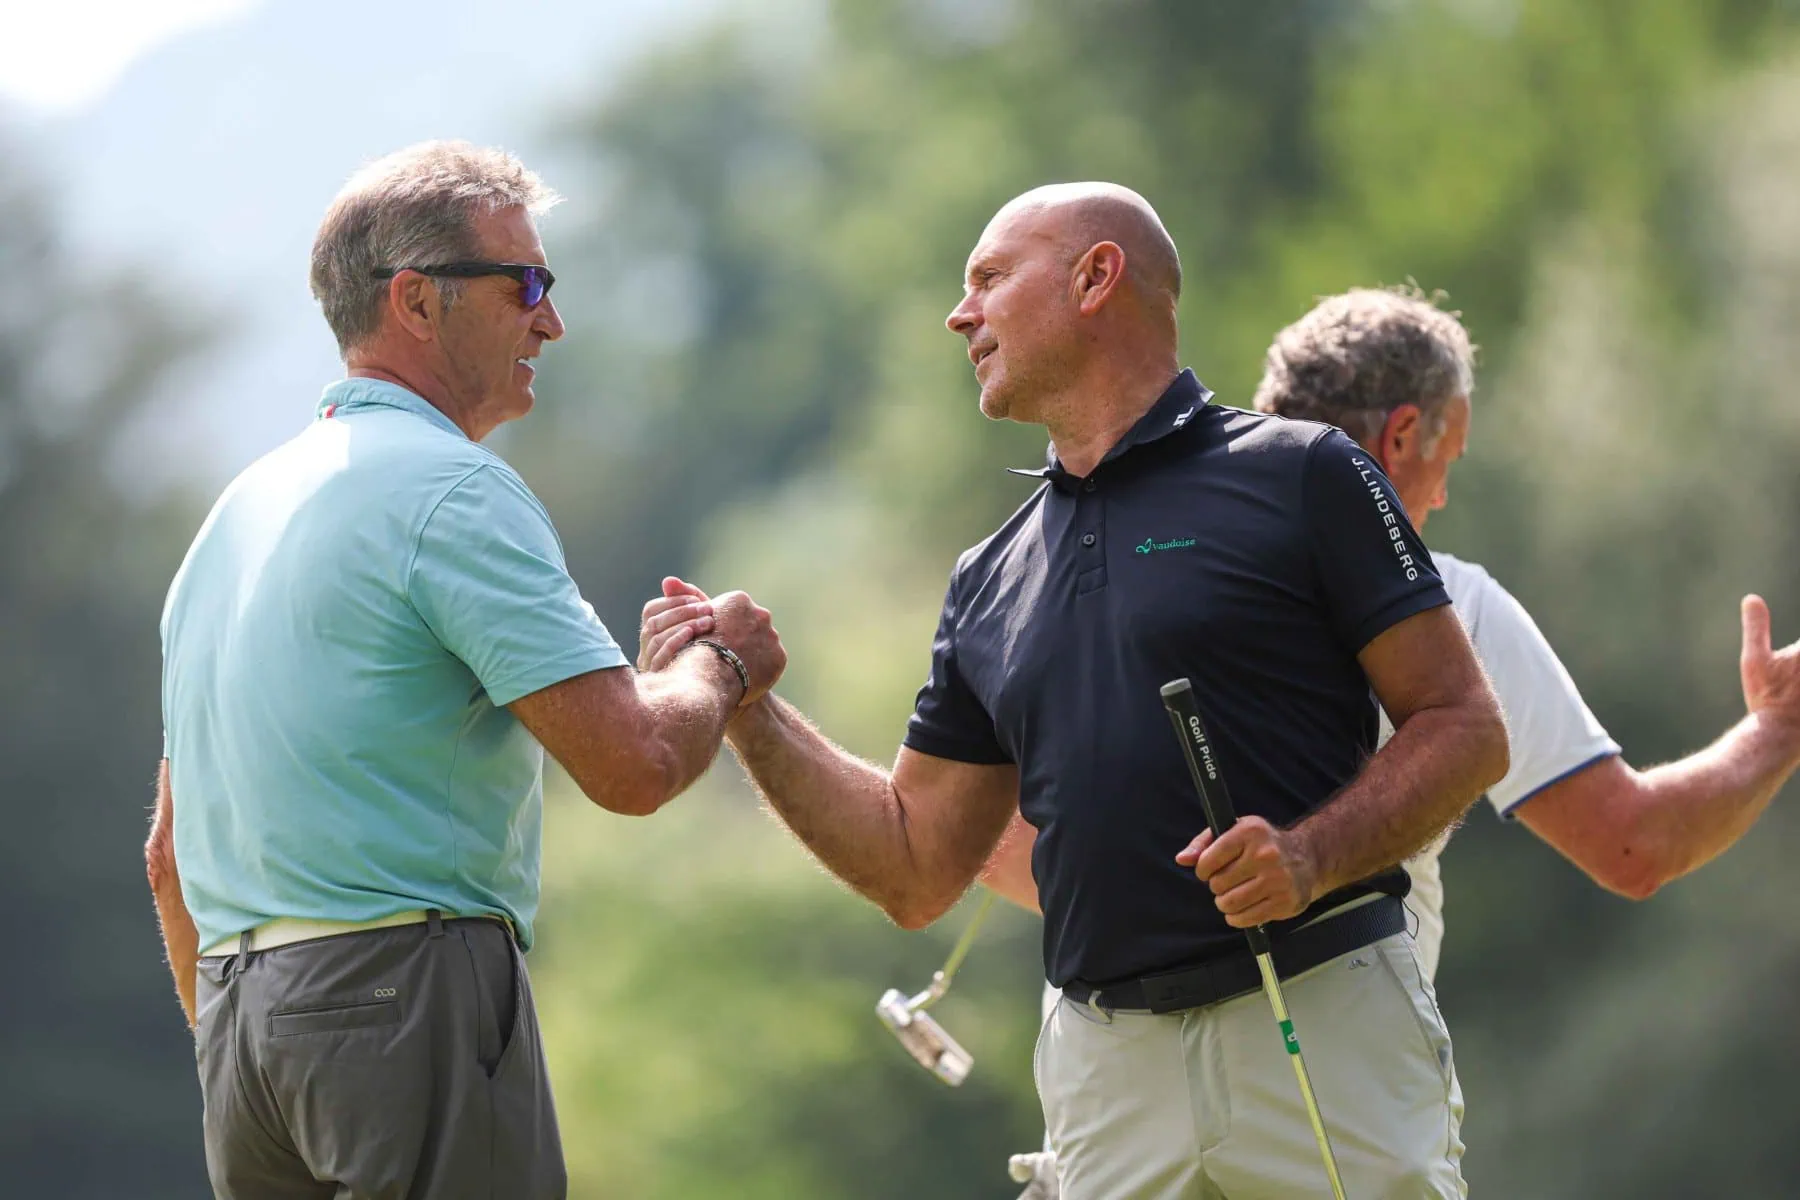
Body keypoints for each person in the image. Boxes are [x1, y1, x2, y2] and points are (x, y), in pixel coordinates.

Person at [640, 186, 1508, 1199]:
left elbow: (1465, 725)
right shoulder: (988, 576)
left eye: (990, 278)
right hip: (1106, 1072)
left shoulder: (1303, 473)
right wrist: (748, 706)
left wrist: (1310, 857)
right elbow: (914, 867)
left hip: (1321, 1012)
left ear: (1096, 277)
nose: (961, 315)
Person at [986, 285, 1800, 1198]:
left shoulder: (1112, 577)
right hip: (1336, 1095)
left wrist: (1173, 922)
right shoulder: (1456, 604)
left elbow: (999, 848)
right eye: (1448, 457)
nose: (1443, 491)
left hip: (1119, 1105)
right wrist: (1777, 730)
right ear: (1403, 436)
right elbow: (1633, 843)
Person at [146, 140, 784, 1200]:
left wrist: (241, 1037)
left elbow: (171, 854)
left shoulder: (232, 518)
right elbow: (633, 766)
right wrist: (720, 665)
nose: (550, 320)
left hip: (240, 1030)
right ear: (415, 300)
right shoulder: (453, 490)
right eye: (524, 283)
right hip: (406, 995)